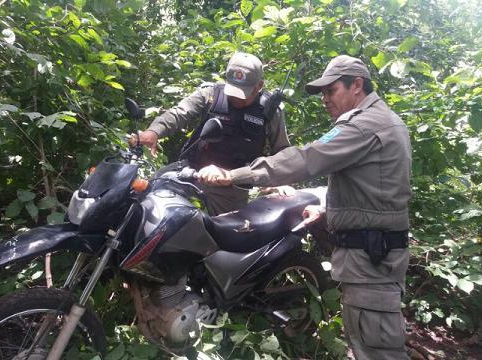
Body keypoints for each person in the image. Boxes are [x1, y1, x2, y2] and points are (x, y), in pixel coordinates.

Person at [197, 55, 412, 360]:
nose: (325, 99)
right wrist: (327, 209)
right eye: (322, 92)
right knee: (367, 342)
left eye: (331, 90)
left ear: (357, 85)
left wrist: (233, 175)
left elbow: (306, 158)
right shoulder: (380, 121)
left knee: (378, 350)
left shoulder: (365, 125)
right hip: (369, 257)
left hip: (370, 261)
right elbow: (373, 188)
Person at [130, 52, 291, 215]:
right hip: (190, 171)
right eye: (233, 90)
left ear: (259, 86)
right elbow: (179, 113)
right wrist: (154, 132)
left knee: (225, 234)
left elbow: (282, 151)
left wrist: (281, 181)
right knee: (145, 203)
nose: (236, 98)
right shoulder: (211, 95)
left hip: (231, 187)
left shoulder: (270, 112)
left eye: (243, 93)